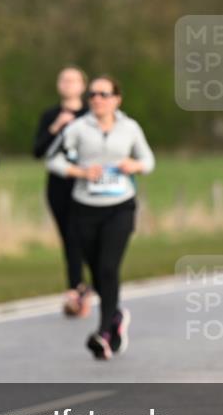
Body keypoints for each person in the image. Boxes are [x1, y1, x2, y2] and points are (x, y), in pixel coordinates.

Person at [47, 76, 155, 359]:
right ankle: (116, 315)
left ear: (116, 99)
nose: (97, 99)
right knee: (96, 271)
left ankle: (104, 332)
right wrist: (81, 172)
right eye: (93, 94)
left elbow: (149, 161)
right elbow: (53, 159)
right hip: (85, 207)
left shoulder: (130, 128)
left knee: (108, 267)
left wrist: (134, 165)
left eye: (104, 94)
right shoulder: (77, 128)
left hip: (120, 206)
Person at [33, 66, 91, 317]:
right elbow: (38, 151)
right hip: (59, 185)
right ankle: (75, 289)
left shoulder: (92, 114)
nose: (68, 84)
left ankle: (86, 285)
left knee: (87, 238)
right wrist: (56, 126)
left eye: (73, 80)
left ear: (83, 85)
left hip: (88, 184)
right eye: (63, 80)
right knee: (69, 237)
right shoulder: (50, 115)